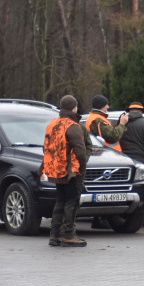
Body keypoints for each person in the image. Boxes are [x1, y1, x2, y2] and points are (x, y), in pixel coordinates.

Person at [42, 95, 91, 247]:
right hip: (71, 171)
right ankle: (68, 235)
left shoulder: (53, 124)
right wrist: (81, 169)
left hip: (56, 170)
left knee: (60, 201)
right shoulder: (72, 126)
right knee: (72, 201)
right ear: (74, 108)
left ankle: (54, 235)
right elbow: (81, 151)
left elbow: (46, 148)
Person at [85, 95, 128, 229]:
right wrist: (122, 124)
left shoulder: (96, 118)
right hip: (107, 157)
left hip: (104, 156)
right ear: (101, 106)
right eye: (106, 105)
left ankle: (100, 219)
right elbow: (112, 136)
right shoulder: (98, 120)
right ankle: (100, 218)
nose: (108, 107)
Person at [120, 102, 144, 228]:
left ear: (129, 111)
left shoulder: (122, 124)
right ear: (141, 112)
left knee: (124, 189)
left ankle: (121, 216)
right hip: (140, 160)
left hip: (123, 161)